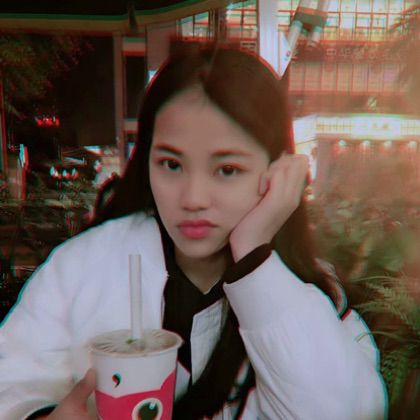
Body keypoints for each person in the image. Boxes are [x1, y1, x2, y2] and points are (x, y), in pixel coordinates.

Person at [0, 44, 387, 420]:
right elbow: (12, 381)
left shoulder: (307, 296)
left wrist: (254, 259)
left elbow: (348, 411)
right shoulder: (81, 267)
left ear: (278, 173)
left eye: (227, 170)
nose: (193, 198)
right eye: (171, 164)